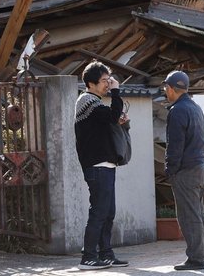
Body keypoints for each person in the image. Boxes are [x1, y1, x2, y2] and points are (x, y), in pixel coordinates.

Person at [74, 60, 129, 270]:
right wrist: (116, 93)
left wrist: (118, 120)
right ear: (91, 83)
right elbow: (112, 114)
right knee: (99, 211)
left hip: (106, 165)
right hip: (96, 166)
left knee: (108, 212)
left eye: (109, 80)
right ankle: (88, 257)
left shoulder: (95, 102)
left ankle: (106, 254)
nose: (108, 84)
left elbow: (109, 119)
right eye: (105, 80)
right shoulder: (87, 100)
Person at [163, 70, 204, 271]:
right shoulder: (195, 108)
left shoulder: (177, 110)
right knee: (198, 213)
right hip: (199, 165)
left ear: (172, 89)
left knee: (189, 215)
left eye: (166, 88)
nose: (165, 91)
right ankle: (203, 257)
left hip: (185, 169)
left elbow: (175, 146)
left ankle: (196, 259)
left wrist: (170, 169)